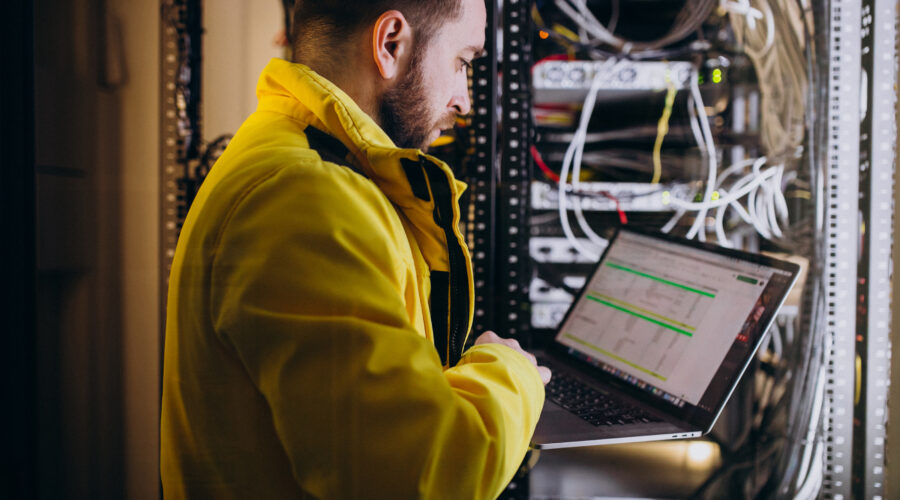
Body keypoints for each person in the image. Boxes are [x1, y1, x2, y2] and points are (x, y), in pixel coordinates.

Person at [160, 0, 552, 497]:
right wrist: (512, 373)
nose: (465, 100)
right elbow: (417, 476)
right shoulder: (305, 198)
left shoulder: (303, 163)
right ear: (390, 44)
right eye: (463, 62)